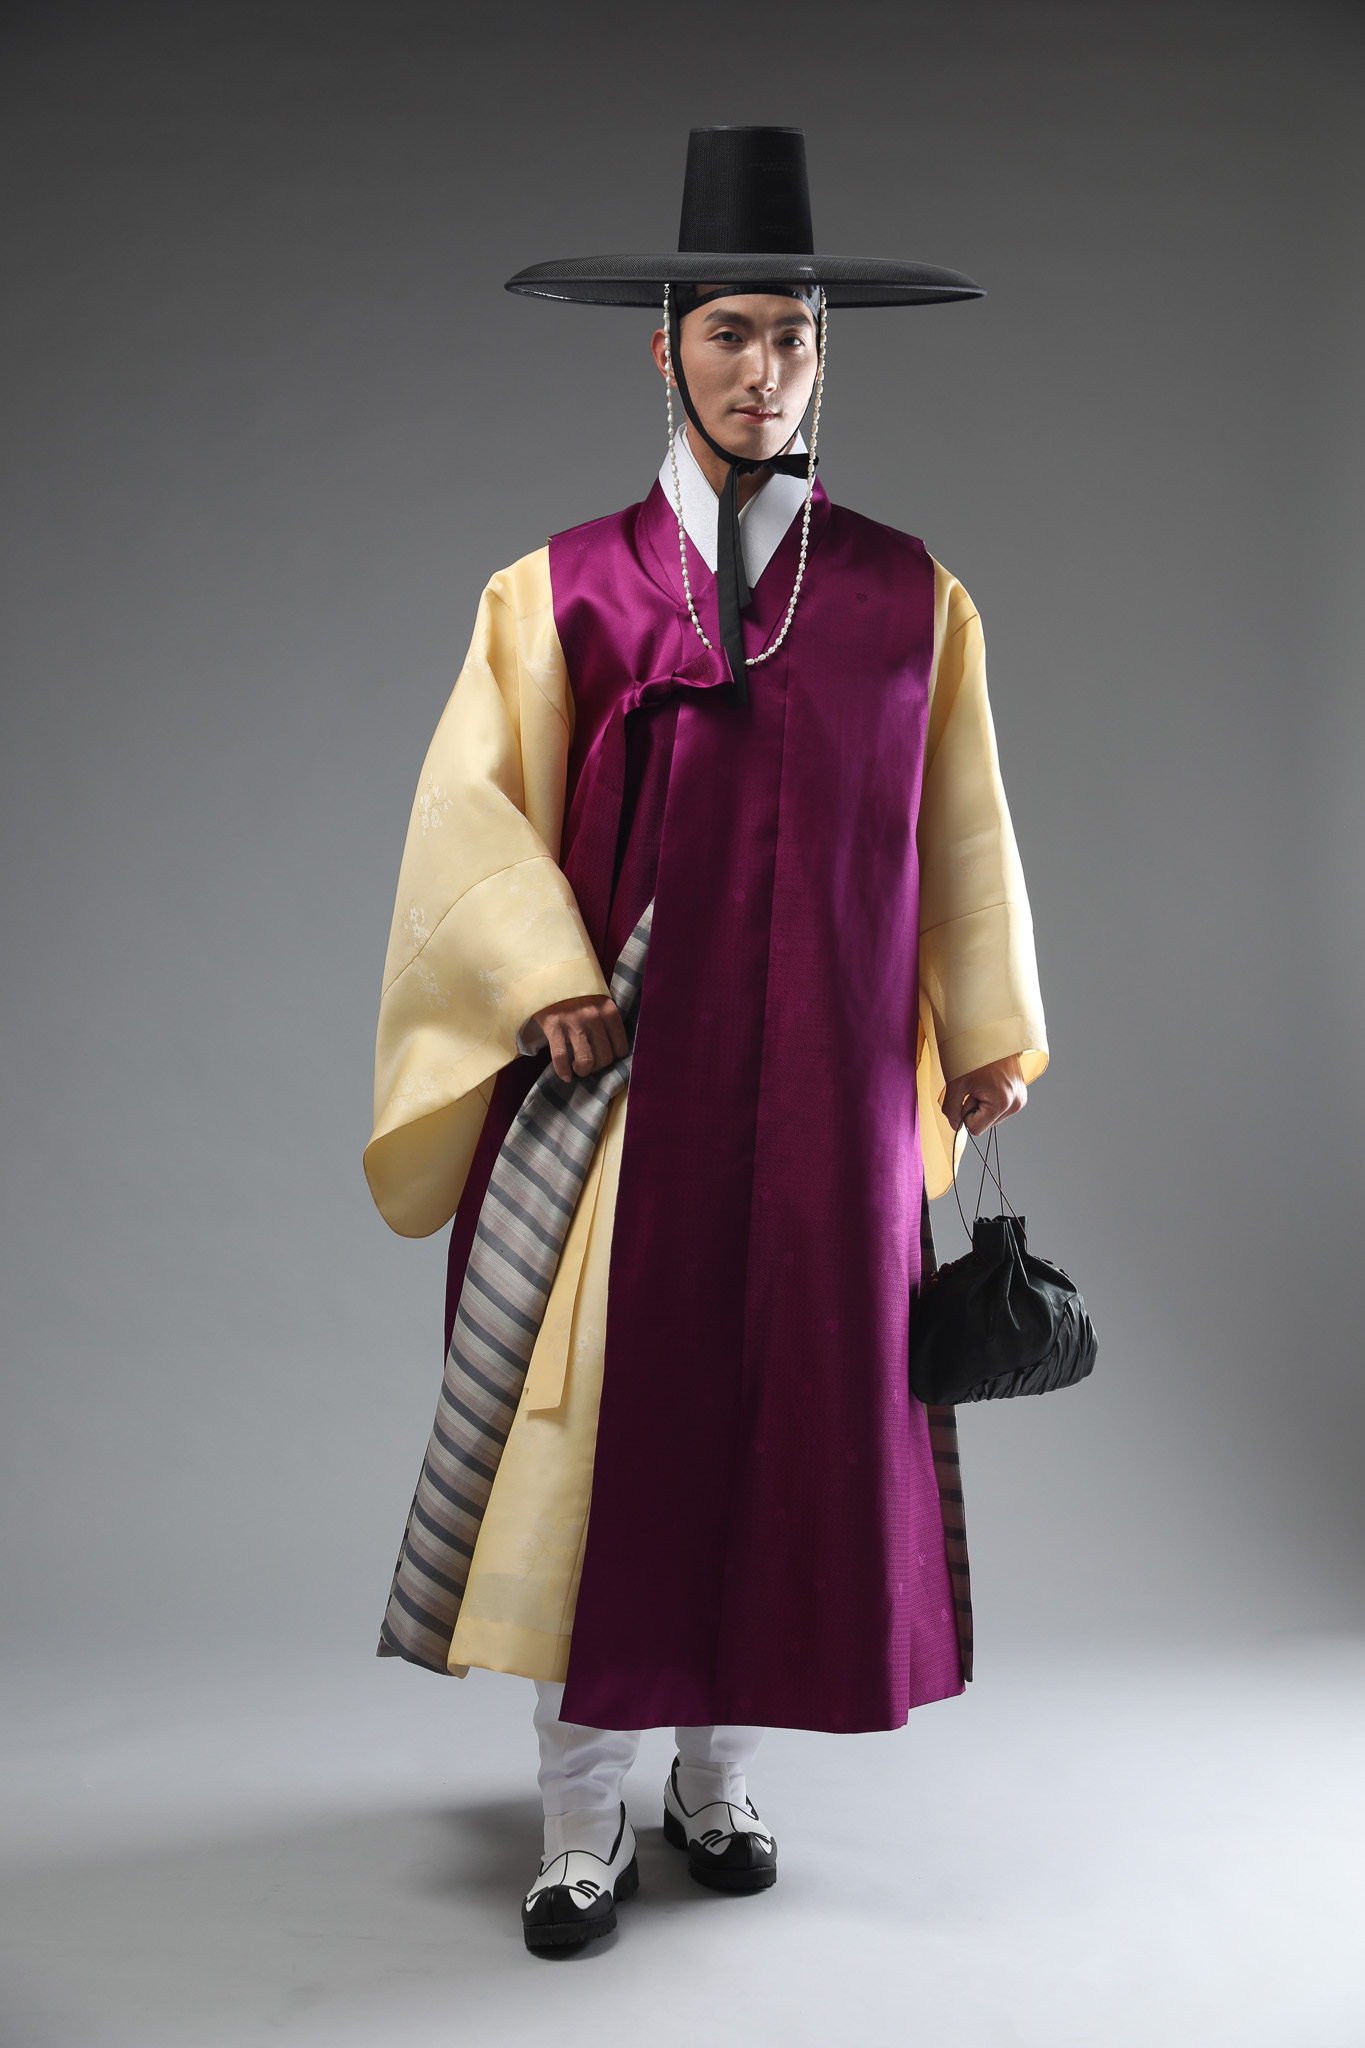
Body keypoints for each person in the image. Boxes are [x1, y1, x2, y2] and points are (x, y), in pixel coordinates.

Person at [364, 127, 1047, 1955]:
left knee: (797, 1421)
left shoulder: (904, 595)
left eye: (793, 336)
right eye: (729, 332)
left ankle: (718, 1778)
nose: (763, 369)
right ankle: (580, 1813)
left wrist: (984, 1028)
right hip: (625, 1094)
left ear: (827, 354)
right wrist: (541, 973)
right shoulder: (562, 590)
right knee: (607, 1441)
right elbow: (467, 816)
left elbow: (962, 832)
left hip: (833, 1091)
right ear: (659, 349)